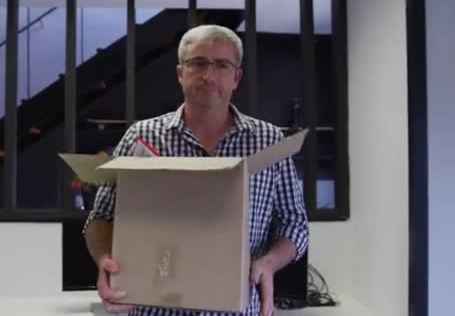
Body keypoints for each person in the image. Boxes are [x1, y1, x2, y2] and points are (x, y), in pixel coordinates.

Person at [83, 24, 309, 316]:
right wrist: (104, 259)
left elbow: (294, 223)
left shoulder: (268, 142)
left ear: (236, 77)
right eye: (198, 63)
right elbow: (101, 217)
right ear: (180, 73)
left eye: (222, 65)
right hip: (155, 309)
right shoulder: (142, 137)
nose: (209, 75)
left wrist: (270, 263)